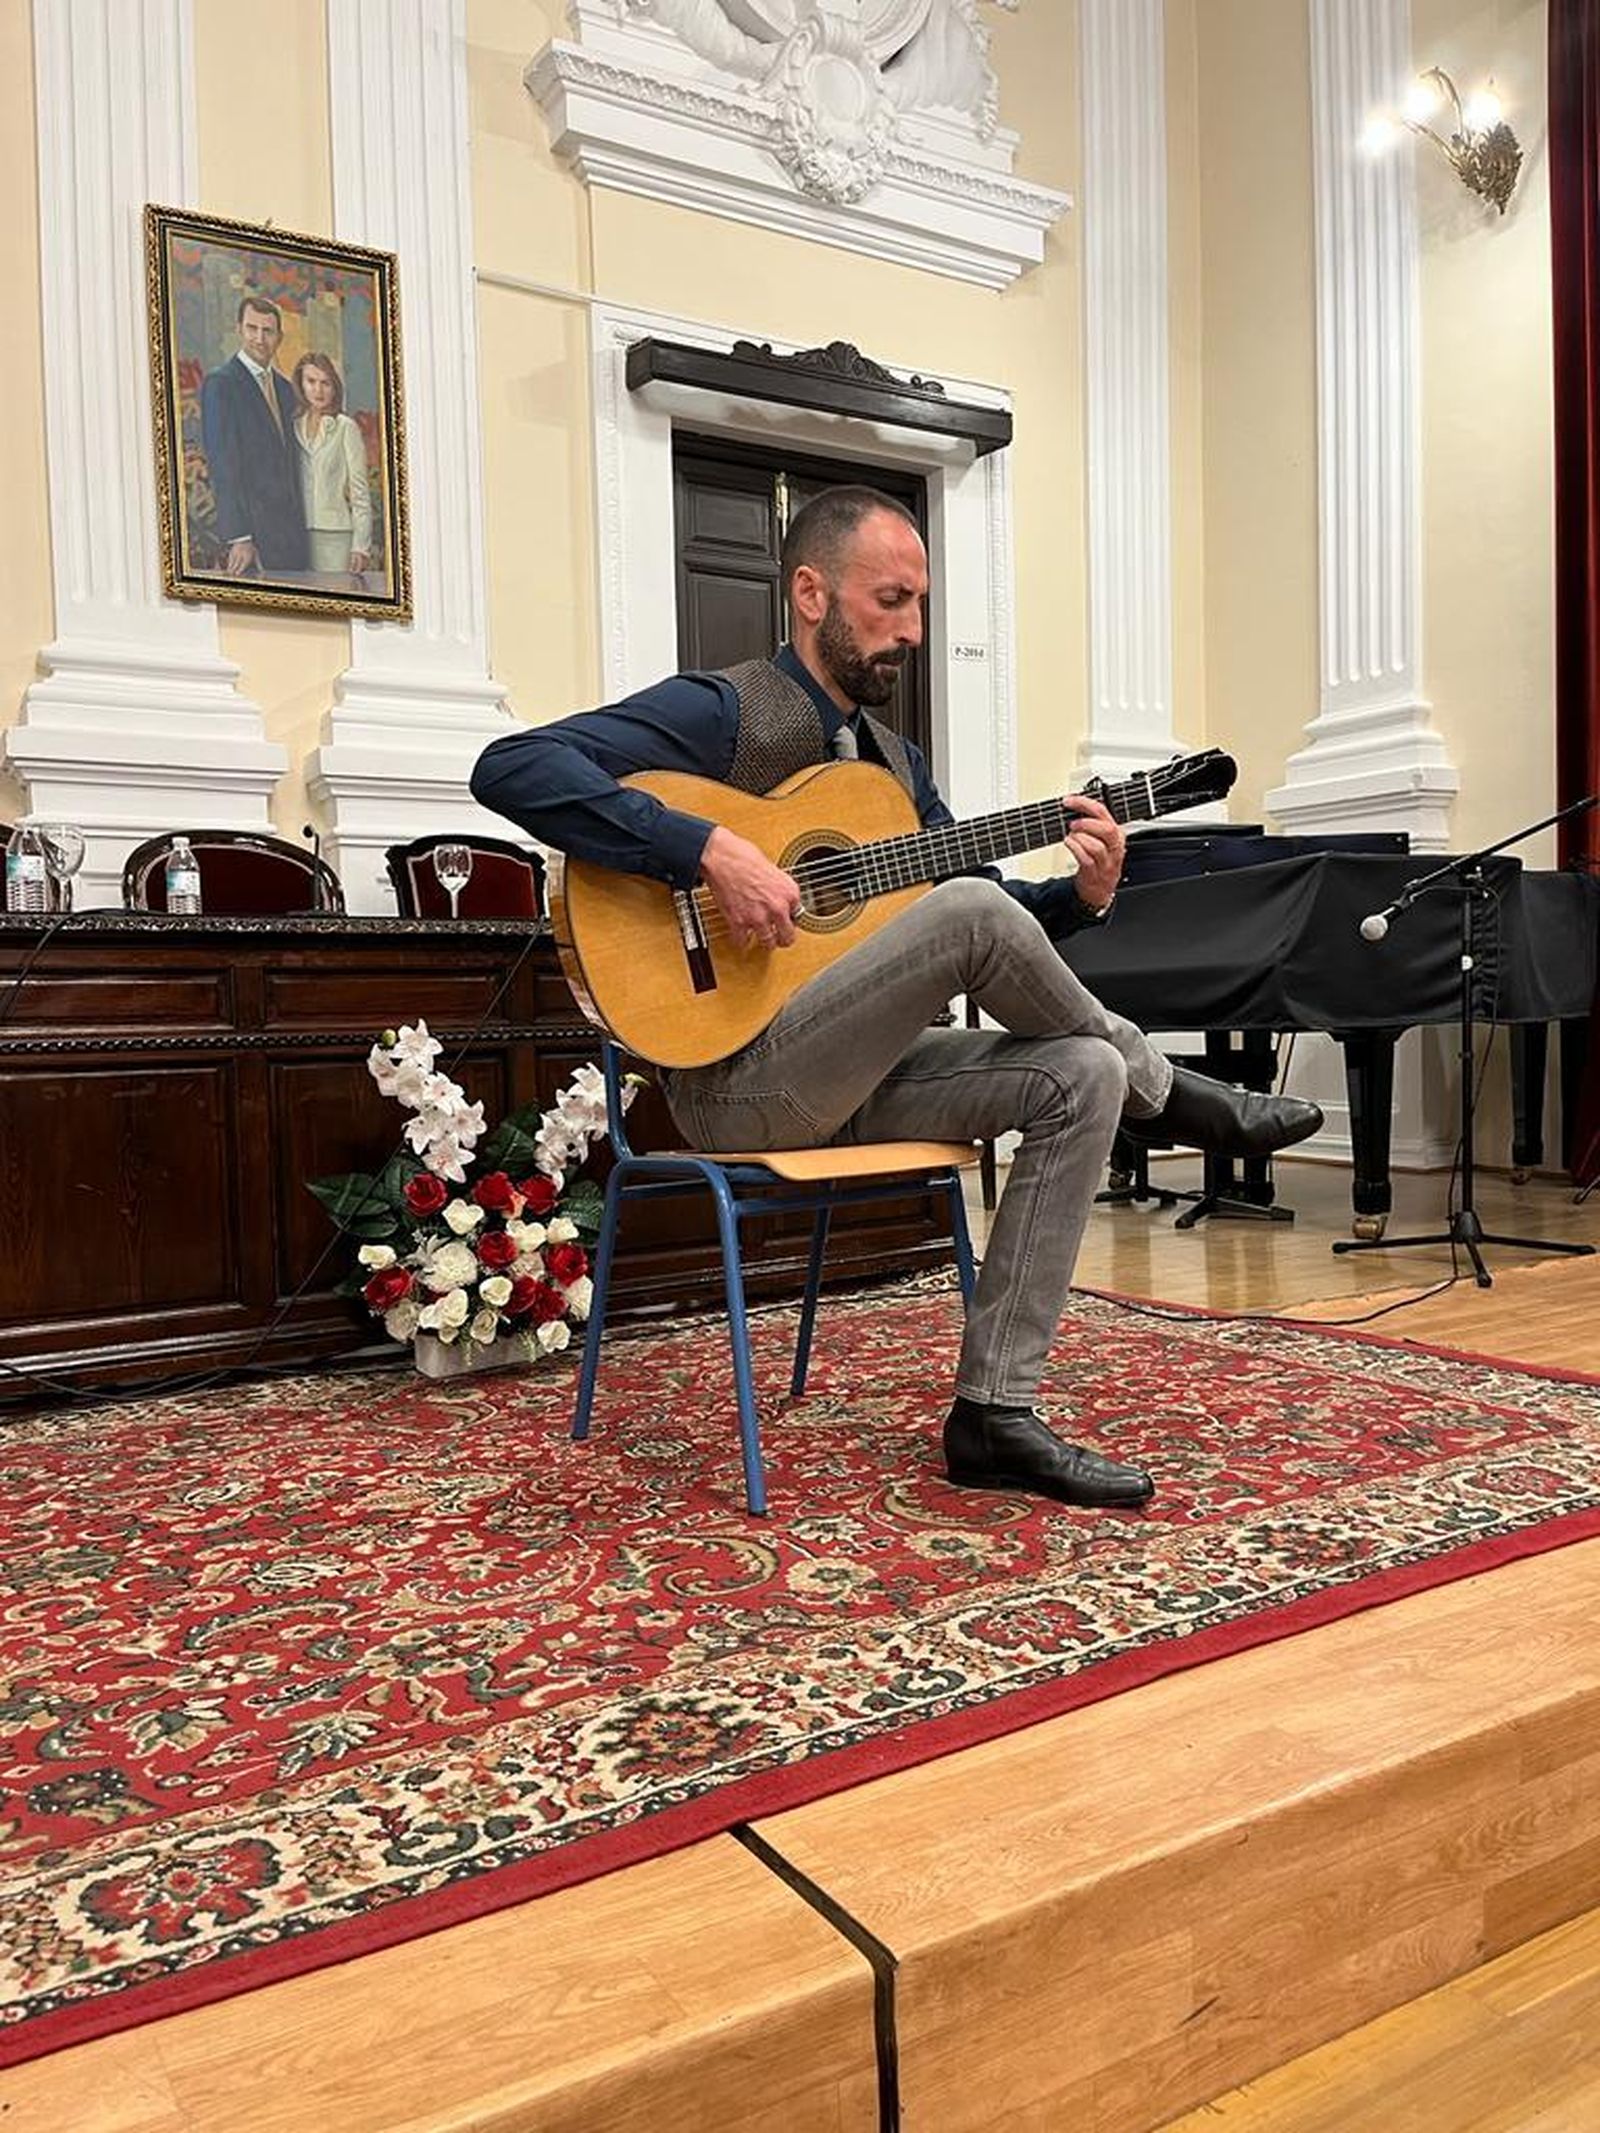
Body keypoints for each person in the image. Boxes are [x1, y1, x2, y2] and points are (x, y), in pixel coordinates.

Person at [471, 486, 1322, 1510]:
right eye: (891, 600)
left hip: (863, 1073)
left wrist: (1083, 898)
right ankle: (1175, 1093)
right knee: (976, 921)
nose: (912, 630)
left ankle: (994, 1415)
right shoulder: (721, 712)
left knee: (1081, 1068)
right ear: (808, 592)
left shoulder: (893, 769)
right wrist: (704, 846)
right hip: (733, 1082)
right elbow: (508, 767)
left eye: (919, 606)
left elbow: (988, 922)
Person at [199, 293, 309, 576]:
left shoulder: (286, 390)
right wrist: (240, 536)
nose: (260, 339)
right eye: (252, 329)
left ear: (279, 337)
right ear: (239, 330)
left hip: (291, 536)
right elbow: (223, 463)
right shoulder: (221, 384)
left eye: (268, 331)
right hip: (252, 539)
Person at [291, 352, 374, 577]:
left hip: (336, 537)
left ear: (335, 387)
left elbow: (360, 492)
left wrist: (361, 546)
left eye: (325, 383)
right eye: (311, 382)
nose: (318, 390)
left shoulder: (346, 427)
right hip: (297, 535)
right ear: (301, 384)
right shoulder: (293, 427)